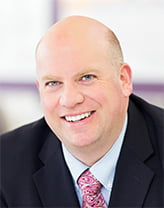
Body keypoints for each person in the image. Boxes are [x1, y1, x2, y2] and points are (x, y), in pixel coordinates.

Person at [0, 15, 163, 208]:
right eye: (53, 83)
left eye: (87, 77)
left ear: (123, 79)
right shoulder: (6, 163)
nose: (69, 99)